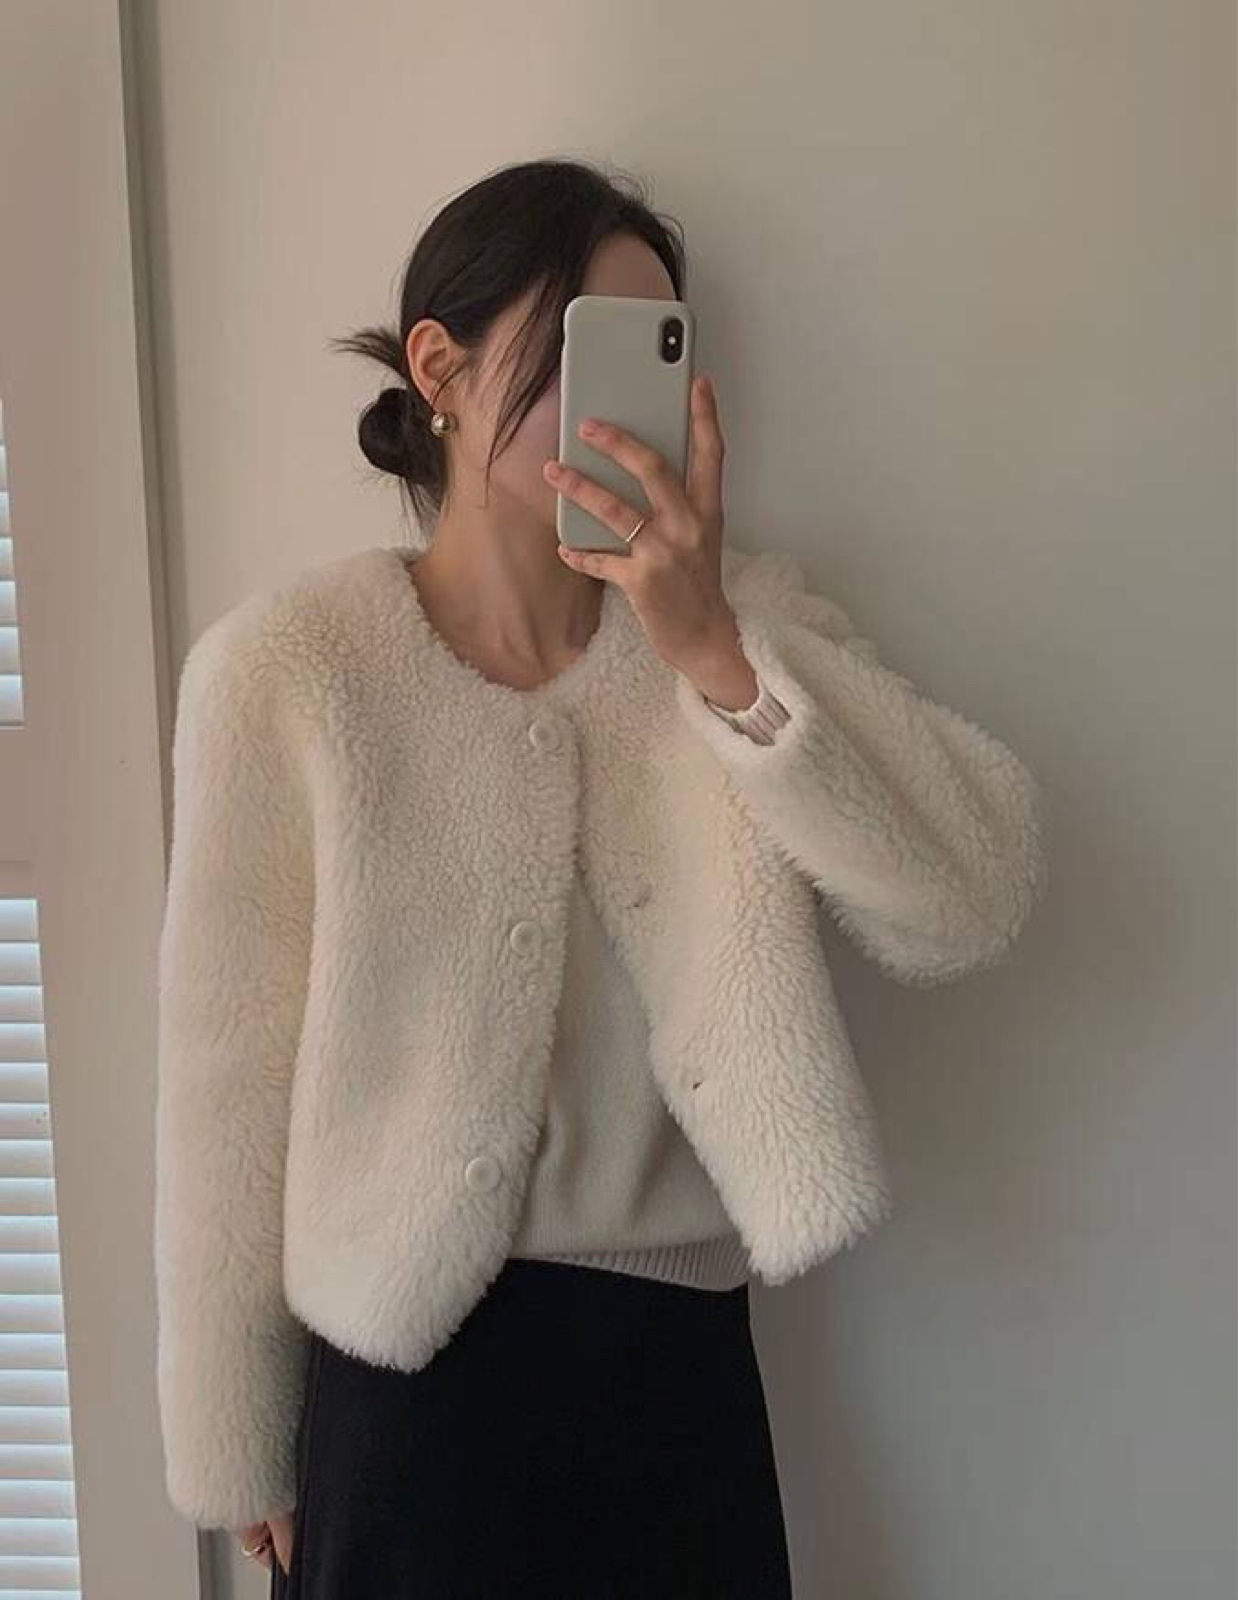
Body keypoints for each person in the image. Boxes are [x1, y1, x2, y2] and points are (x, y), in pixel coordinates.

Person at [152, 157, 1048, 1598]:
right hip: (403, 1393)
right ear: (438, 367)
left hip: (675, 1382)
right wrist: (237, 1444)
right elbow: (224, 1078)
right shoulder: (288, 671)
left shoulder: (738, 627)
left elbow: (972, 895)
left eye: (655, 349)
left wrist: (715, 657)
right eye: (581, 344)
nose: (622, 399)